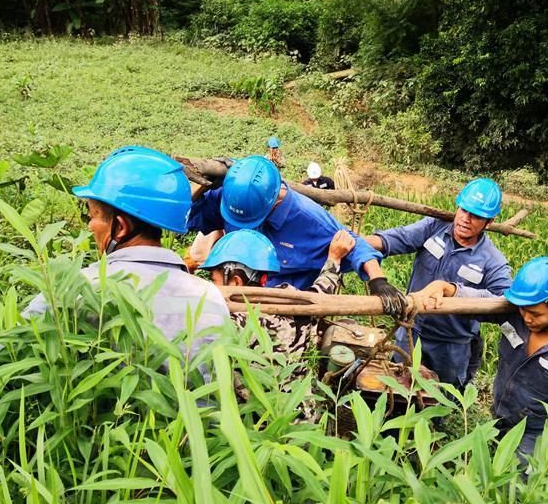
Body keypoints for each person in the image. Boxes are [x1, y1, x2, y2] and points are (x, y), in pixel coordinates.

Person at [0, 146, 230, 369]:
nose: (90, 226)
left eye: (93, 216)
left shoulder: (77, 288)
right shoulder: (209, 297)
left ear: (120, 227)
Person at [411, 257, 548, 462]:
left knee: (514, 488)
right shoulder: (517, 314)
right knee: (489, 473)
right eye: (522, 309)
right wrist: (448, 289)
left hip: (536, 439)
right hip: (499, 419)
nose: (526, 318)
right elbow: (484, 300)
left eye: (535, 314)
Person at [187, 155, 408, 317]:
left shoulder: (309, 218)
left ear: (273, 202)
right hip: (233, 306)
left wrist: (378, 279)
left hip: (287, 316)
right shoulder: (233, 196)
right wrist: (201, 186)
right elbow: (189, 218)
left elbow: (353, 243)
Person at [364, 178, 511, 387]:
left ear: (490, 222)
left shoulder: (491, 260)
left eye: (476, 216)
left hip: (450, 347)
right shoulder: (434, 228)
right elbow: (399, 238)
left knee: (440, 397)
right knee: (399, 388)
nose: (465, 219)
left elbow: (505, 303)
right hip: (411, 331)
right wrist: (360, 242)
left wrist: (453, 291)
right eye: (464, 210)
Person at [202, 228, 354, 356]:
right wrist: (334, 259)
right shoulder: (290, 304)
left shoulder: (230, 324)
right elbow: (319, 295)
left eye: (213, 280)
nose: (211, 285)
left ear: (236, 282)